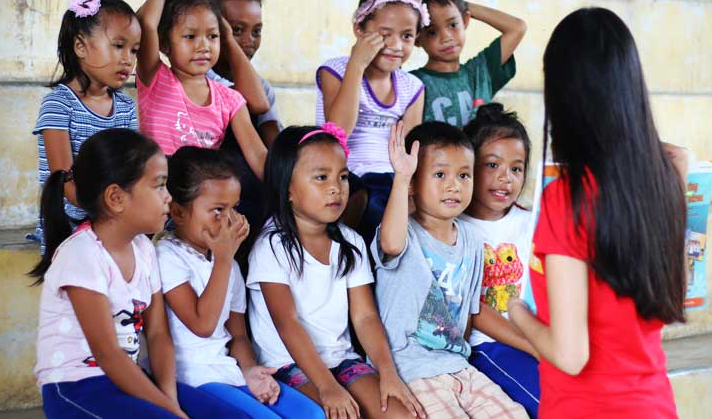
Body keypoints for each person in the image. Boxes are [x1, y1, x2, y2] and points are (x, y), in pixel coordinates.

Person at [508, 7, 687, 418]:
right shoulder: (666, 182)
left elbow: (570, 356)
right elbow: (677, 298)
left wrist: (518, 315)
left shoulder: (566, 199)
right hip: (655, 405)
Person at [29, 129, 243, 418]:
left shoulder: (144, 249)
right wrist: (169, 410)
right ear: (116, 197)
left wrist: (170, 399)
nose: (169, 198)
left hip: (128, 380)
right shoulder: (82, 254)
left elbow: (157, 335)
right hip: (75, 387)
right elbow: (108, 354)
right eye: (159, 186)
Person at [247, 124, 424, 419]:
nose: (336, 187)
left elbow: (365, 316)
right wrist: (327, 386)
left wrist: (388, 372)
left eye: (342, 176)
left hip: (341, 360)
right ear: (287, 188)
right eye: (321, 177)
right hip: (289, 364)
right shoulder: (272, 245)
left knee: (401, 415)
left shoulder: (350, 242)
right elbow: (287, 323)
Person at [372, 121, 527, 418]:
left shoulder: (470, 240)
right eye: (440, 174)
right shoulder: (403, 232)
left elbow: (466, 315)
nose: (453, 185)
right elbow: (391, 244)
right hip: (412, 368)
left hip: (459, 365)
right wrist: (402, 179)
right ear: (415, 182)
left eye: (464, 175)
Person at [155, 146, 323, 418]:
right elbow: (203, 324)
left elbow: (238, 334)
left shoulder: (228, 263)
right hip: (191, 377)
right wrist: (223, 259)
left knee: (311, 414)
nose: (229, 220)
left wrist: (249, 370)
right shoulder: (168, 256)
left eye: (233, 208)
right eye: (217, 210)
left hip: (227, 371)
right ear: (178, 212)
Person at [135, 0, 266, 179]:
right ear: (164, 43)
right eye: (190, 36)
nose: (203, 46)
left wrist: (287, 192)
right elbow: (145, 25)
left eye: (212, 36)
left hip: (202, 198)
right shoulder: (155, 78)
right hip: (157, 194)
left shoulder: (230, 99)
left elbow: (257, 155)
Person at [316, 0, 427, 244]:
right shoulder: (335, 71)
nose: (397, 45)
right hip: (344, 172)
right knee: (366, 198)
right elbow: (338, 131)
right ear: (359, 29)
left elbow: (409, 151)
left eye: (407, 36)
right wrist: (357, 63)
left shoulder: (412, 87)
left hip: (391, 180)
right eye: (385, 34)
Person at [30, 0, 140, 253]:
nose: (128, 59)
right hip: (68, 228)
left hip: (113, 221)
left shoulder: (125, 108)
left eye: (134, 50)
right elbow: (64, 181)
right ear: (80, 47)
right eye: (118, 45)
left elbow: (132, 169)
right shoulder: (59, 105)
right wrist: (114, 209)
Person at [461, 103, 540, 417]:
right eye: (492, 165)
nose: (505, 178)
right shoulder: (456, 229)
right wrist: (535, 346)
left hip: (538, 338)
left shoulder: (532, 222)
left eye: (516, 168)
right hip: (488, 345)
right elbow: (474, 311)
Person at [412, 0, 525, 127]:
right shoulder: (411, 84)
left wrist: (461, 6)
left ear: (465, 20)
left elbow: (517, 27)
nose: (446, 37)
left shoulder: (481, 73)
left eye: (453, 25)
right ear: (417, 38)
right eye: (432, 32)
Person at [203, 0, 282, 147]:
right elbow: (257, 103)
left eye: (256, 31)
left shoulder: (261, 86)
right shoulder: (200, 80)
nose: (249, 41)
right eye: (236, 30)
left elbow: (275, 141)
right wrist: (229, 41)